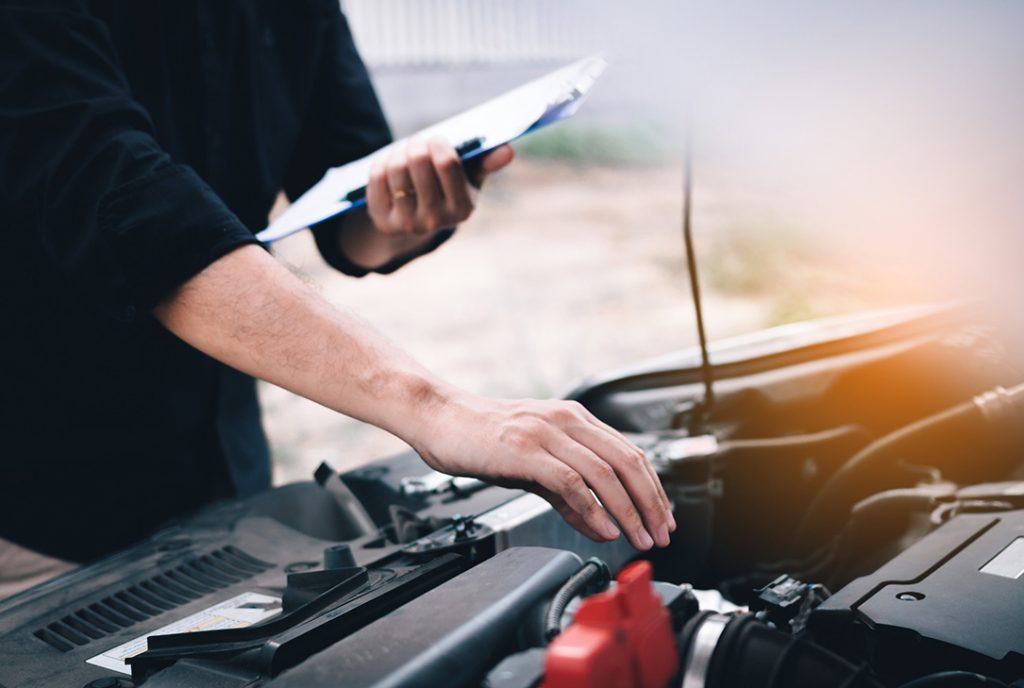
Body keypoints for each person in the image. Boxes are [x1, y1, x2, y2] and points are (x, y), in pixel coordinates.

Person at [0, 0, 674, 596]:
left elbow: (349, 222)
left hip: (224, 475)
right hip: (40, 512)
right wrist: (435, 409)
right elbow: (121, 203)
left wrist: (415, 207)